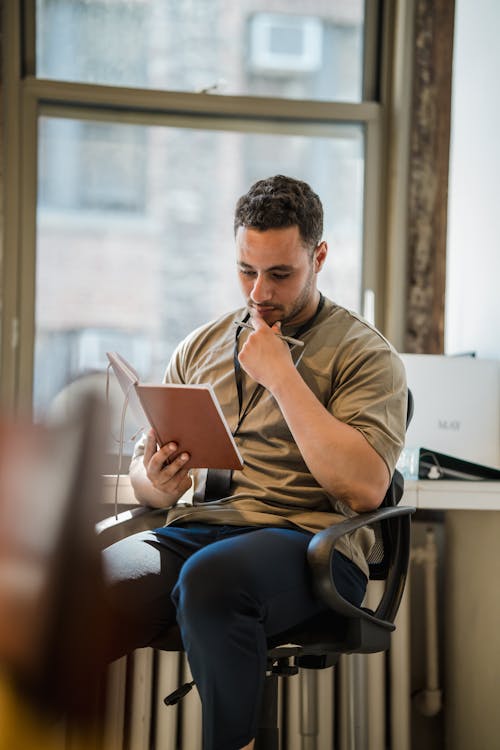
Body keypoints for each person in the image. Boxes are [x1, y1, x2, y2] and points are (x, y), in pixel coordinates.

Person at [102, 174, 407, 750]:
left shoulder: (366, 355)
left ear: (318, 256)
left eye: (280, 274)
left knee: (213, 580)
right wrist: (158, 485)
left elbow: (366, 489)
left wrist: (283, 376)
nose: (259, 292)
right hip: (204, 532)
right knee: (85, 585)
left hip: (313, 544)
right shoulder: (199, 347)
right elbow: (147, 480)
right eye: (247, 270)